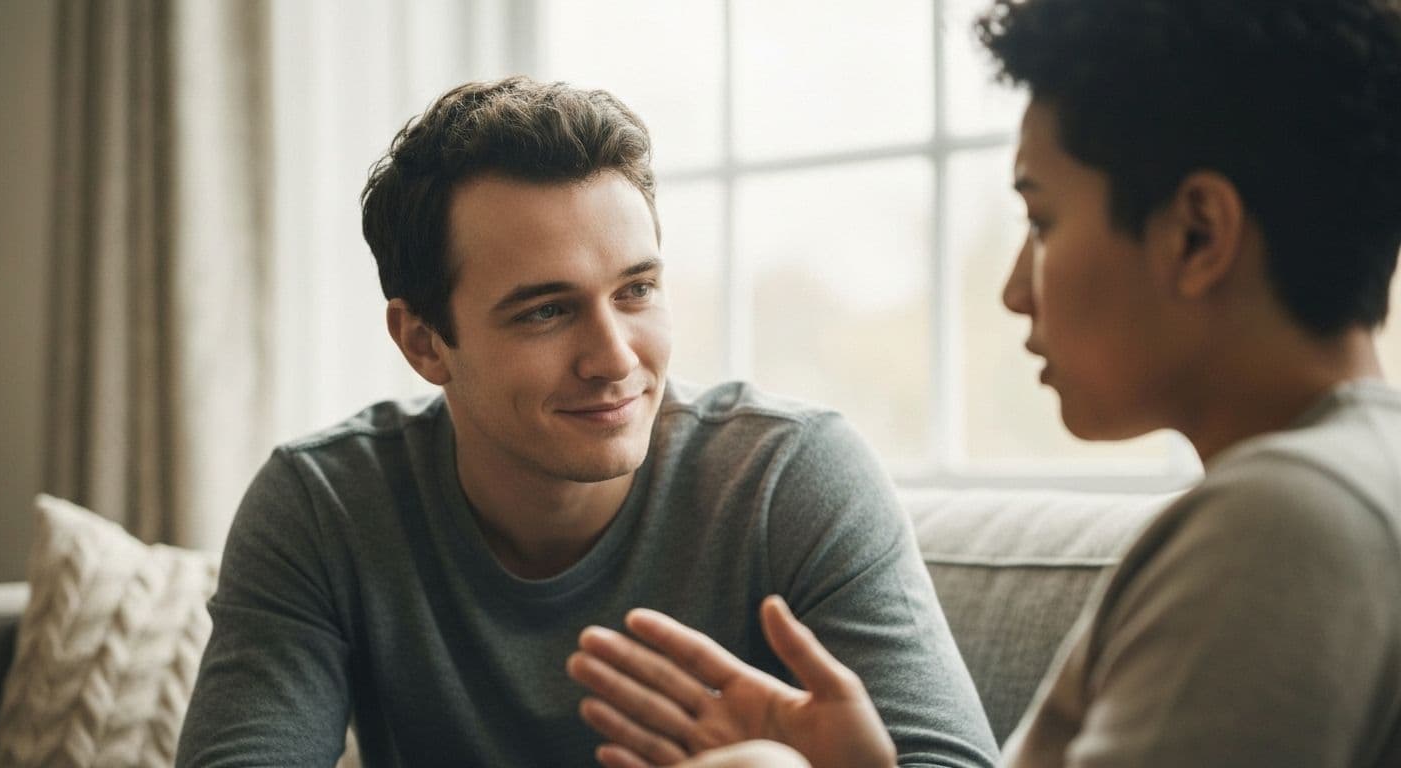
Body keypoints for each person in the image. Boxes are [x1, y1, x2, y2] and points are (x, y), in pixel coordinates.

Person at [565, 1, 1401, 766]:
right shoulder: (1341, 480)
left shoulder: (1283, 523)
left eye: (1042, 220)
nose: (1013, 289)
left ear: (1196, 234)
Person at [174, 77, 997, 767]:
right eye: (545, 311)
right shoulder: (324, 504)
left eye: (636, 290)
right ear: (425, 343)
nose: (614, 357)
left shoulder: (792, 475)